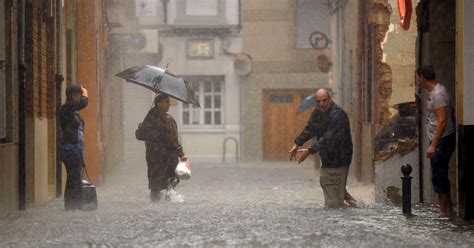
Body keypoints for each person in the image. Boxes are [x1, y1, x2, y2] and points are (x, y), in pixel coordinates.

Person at [289, 89, 357, 208]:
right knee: (331, 186)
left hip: (339, 159)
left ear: (329, 99)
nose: (321, 104)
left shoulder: (338, 115)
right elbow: (310, 129)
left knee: (333, 198)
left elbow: (328, 137)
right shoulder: (317, 113)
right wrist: (297, 143)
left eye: (324, 100)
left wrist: (310, 150)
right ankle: (357, 206)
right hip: (328, 158)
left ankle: (346, 214)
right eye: (318, 101)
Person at [416, 65, 456, 217]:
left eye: (418, 77)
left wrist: (433, 145)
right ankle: (449, 210)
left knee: (438, 176)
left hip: (442, 140)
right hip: (439, 139)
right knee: (441, 173)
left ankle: (442, 212)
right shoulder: (435, 92)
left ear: (422, 77)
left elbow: (442, 120)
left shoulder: (438, 94)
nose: (418, 81)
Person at [136, 94, 187, 202]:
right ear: (158, 103)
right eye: (166, 102)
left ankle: (155, 202)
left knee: (155, 182)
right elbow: (173, 140)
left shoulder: (150, 117)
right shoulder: (166, 119)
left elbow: (139, 135)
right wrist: (182, 154)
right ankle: (170, 199)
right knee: (172, 179)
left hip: (153, 156)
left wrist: (142, 127)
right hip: (166, 156)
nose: (169, 104)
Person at [59, 84, 88, 210]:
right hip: (69, 149)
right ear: (71, 96)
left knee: (75, 178)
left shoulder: (74, 112)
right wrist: (85, 94)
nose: (79, 97)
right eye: (77, 95)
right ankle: (72, 206)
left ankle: (74, 206)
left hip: (76, 149)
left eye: (80, 95)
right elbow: (83, 103)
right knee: (73, 179)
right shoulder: (66, 109)